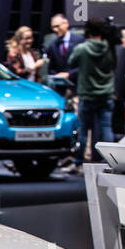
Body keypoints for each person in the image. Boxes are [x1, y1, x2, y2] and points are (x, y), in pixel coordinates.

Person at [68, 17, 117, 172]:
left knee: (84, 130)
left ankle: (78, 161)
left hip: (87, 95)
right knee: (106, 128)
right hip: (106, 94)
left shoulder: (82, 48)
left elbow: (71, 62)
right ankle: (109, 161)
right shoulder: (109, 48)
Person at [42, 14, 79, 94]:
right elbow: (51, 67)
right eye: (53, 27)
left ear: (66, 24)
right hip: (60, 89)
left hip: (77, 87)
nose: (55, 29)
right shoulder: (53, 44)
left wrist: (69, 74)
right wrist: (56, 76)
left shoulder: (79, 40)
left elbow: (84, 65)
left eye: (57, 26)